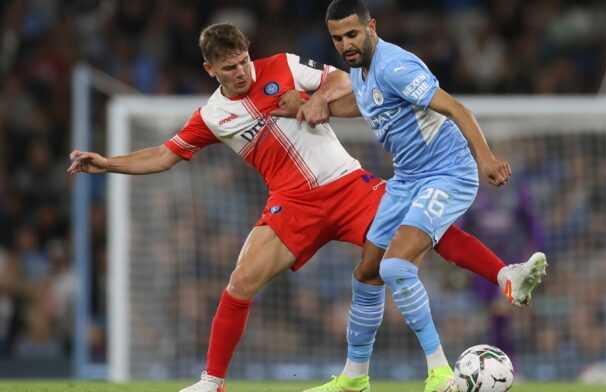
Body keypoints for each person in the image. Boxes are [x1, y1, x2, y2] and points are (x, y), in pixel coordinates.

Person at [67, 23, 541, 392]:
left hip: (347, 183)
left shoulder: (286, 66)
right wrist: (107, 162)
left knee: (419, 236)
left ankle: (504, 275)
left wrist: (314, 100)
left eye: (244, 60)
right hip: (292, 206)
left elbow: (342, 81)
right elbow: (165, 155)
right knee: (241, 280)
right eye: (229, 67)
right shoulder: (212, 116)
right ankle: (213, 380)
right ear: (210, 70)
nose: (242, 72)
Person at [297, 1, 548, 391]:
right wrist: (315, 104)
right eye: (337, 38)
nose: (346, 44)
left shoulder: (396, 66)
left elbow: (457, 108)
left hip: (447, 173)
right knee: (367, 273)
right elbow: (365, 104)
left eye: (352, 34)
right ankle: (353, 379)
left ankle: (440, 372)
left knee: (396, 267)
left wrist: (486, 158)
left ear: (371, 27)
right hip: (409, 178)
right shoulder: (360, 72)